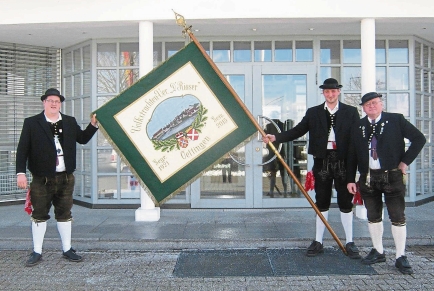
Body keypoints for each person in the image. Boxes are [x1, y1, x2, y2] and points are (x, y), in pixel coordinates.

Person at [263, 78, 361, 258]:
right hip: (322, 161)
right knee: (321, 202)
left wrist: (355, 172)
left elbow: (356, 142)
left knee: (345, 203)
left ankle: (350, 242)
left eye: (333, 91)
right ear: (323, 93)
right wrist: (276, 137)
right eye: (327, 91)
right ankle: (318, 241)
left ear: (338, 92)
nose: (330, 94)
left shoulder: (351, 112)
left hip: (343, 162)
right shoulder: (314, 112)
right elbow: (297, 131)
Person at [16, 88, 98, 267]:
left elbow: (82, 139)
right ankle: (37, 251)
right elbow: (22, 150)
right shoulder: (31, 123)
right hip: (41, 178)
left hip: (65, 177)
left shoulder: (69, 121)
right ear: (44, 102)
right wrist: (20, 173)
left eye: (57, 101)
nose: (54, 104)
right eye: (50, 100)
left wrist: (93, 126)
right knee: (39, 215)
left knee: (65, 214)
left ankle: (67, 249)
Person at [346, 92, 426, 274]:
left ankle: (400, 256)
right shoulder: (358, 126)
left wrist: (404, 162)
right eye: (367, 104)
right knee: (373, 215)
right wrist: (351, 179)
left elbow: (419, 139)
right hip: (368, 178)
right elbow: (351, 154)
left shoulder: (396, 120)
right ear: (363, 108)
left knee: (397, 216)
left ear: (381, 104)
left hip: (392, 176)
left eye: (374, 103)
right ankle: (378, 251)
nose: (371, 106)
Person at [263, 119, 288, 198]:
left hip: (273, 152)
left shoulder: (269, 126)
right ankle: (285, 191)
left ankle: (272, 191)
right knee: (281, 172)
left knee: (274, 172)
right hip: (280, 151)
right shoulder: (283, 125)